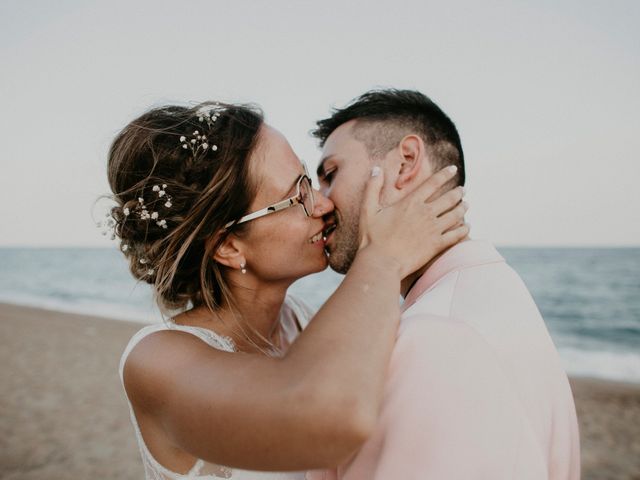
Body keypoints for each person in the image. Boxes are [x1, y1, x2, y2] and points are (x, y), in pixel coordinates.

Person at [109, 101, 469, 479]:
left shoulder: (302, 320)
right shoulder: (156, 363)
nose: (323, 203)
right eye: (297, 196)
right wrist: (383, 257)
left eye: (308, 181)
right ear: (228, 247)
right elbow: (328, 419)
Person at [307, 89, 581, 480]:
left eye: (331, 175)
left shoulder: (434, 337)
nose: (321, 202)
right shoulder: (492, 290)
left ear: (405, 163)